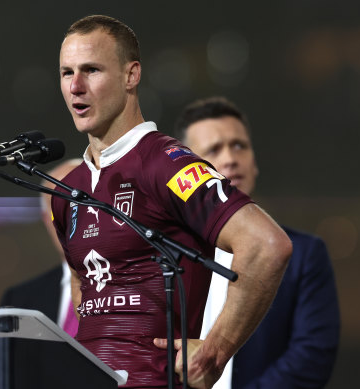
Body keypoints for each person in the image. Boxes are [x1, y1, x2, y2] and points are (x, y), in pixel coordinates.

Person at [52, 15, 292, 388]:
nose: (76, 87)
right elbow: (85, 291)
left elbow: (266, 245)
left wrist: (216, 351)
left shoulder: (165, 163)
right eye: (67, 73)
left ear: (131, 76)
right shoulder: (69, 191)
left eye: (92, 70)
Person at [175, 96, 340, 388]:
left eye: (239, 145)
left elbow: (311, 356)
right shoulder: (166, 256)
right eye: (214, 149)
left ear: (254, 162)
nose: (230, 158)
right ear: (188, 172)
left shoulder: (304, 254)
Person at [0, 158, 83, 337]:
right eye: (59, 210)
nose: (70, 219)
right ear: (46, 220)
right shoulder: (18, 302)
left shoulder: (143, 287)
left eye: (79, 206)